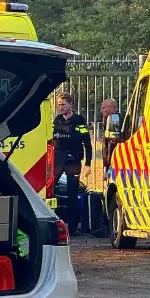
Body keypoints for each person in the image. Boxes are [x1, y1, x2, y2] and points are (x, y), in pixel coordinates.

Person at [53, 93, 93, 235]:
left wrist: (88, 163)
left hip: (73, 160)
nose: (60, 107)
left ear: (70, 105)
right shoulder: (57, 120)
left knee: (72, 193)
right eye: (59, 104)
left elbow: (87, 142)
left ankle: (73, 228)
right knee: (50, 191)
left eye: (63, 104)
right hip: (58, 160)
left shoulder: (78, 120)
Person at [100, 98, 122, 167]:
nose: (101, 111)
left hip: (115, 164)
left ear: (112, 109)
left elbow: (111, 145)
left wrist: (108, 168)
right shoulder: (107, 122)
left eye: (104, 108)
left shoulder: (115, 122)